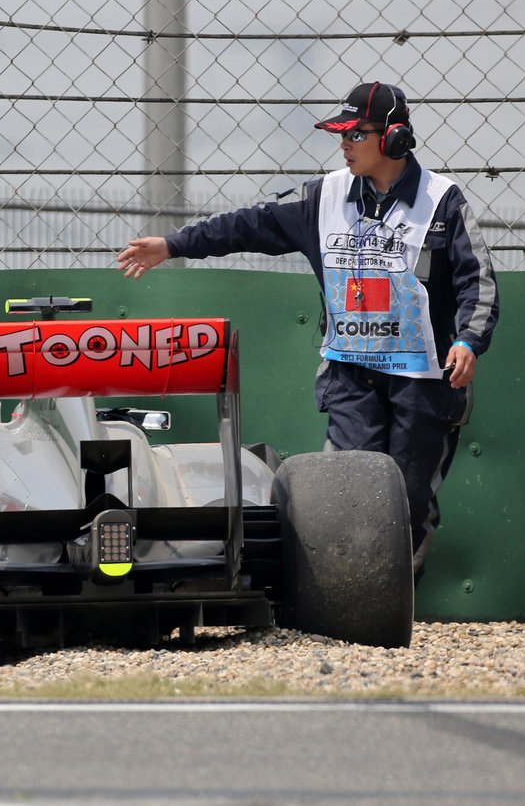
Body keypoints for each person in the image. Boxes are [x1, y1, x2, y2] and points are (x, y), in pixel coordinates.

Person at [116, 81, 499, 579]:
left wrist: (468, 340)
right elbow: (248, 224)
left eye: (355, 134)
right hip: (351, 374)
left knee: (408, 499)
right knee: (349, 492)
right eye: (341, 134)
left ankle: (393, 601)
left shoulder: (442, 200)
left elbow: (478, 281)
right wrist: (174, 244)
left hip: (425, 380)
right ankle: (347, 599)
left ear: (394, 138)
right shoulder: (323, 195)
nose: (344, 145)